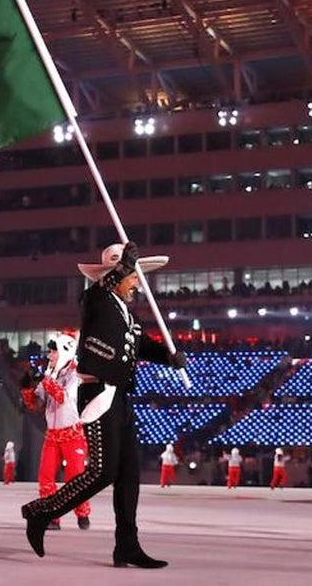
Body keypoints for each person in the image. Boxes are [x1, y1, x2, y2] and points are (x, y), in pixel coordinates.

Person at [21, 241, 186, 569]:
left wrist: (169, 357)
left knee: (129, 475)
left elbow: (141, 346)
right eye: (132, 275)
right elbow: (96, 293)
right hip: (98, 393)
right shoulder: (96, 300)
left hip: (121, 395)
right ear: (117, 275)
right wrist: (123, 267)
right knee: (102, 471)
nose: (137, 282)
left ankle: (127, 546)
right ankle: (41, 511)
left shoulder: (126, 312)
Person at [20, 333, 90, 530]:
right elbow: (37, 405)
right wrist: (27, 389)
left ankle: (82, 513)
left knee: (75, 478)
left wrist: (45, 379)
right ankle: (52, 517)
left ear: (65, 351)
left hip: (73, 433)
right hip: (52, 434)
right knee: (46, 477)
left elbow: (62, 397)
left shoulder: (76, 374)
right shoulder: (50, 373)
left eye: (53, 351)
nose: (49, 355)